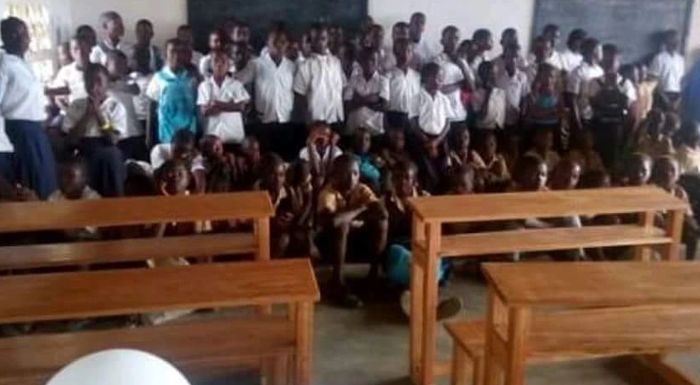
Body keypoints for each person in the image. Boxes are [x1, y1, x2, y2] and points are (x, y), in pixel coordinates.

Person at [383, 160, 462, 320]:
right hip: (400, 249)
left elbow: (435, 228)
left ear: (415, 181)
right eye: (397, 177)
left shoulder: (426, 199)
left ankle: (414, 302)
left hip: (423, 248)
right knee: (404, 257)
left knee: (432, 258)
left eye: (406, 177)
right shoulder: (384, 201)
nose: (402, 182)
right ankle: (432, 307)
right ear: (391, 180)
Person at [316, 154, 388, 308]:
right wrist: (361, 208)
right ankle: (337, 281)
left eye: (355, 173)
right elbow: (333, 221)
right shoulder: (328, 192)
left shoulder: (362, 189)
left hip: (355, 239)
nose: (351, 178)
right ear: (335, 175)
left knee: (382, 223)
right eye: (345, 173)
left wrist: (349, 216)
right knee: (342, 226)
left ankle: (373, 276)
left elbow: (382, 213)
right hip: (329, 243)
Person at [0, 17, 57, 199]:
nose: (27, 38)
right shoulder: (4, 63)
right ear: (10, 36)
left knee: (46, 182)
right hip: (20, 131)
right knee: (32, 182)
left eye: (26, 33)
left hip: (36, 130)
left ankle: (51, 224)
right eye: (22, 33)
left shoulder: (23, 63)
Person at [62, 63, 127, 197]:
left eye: (98, 81)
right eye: (89, 81)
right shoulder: (76, 106)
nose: (93, 86)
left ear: (107, 83)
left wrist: (98, 114)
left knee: (111, 157)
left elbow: (113, 139)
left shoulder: (115, 106)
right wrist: (87, 115)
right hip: (83, 150)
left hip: (107, 150)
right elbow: (70, 140)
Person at [253, 27, 297, 159]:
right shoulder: (256, 64)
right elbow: (238, 81)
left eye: (282, 42)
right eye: (275, 42)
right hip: (264, 121)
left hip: (286, 120)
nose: (279, 45)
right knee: (267, 158)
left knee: (286, 158)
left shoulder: (292, 66)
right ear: (268, 43)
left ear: (287, 44)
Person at [408, 62, 451, 192]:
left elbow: (448, 123)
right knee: (427, 171)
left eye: (441, 78)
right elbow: (413, 123)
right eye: (437, 77)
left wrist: (436, 142)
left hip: (440, 139)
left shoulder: (444, 99)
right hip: (422, 139)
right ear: (426, 77)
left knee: (443, 169)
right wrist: (427, 142)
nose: (440, 81)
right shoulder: (417, 98)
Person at [146, 38, 198, 144]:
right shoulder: (158, 78)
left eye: (180, 51)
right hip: (167, 134)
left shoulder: (191, 78)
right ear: (165, 54)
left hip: (189, 133)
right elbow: (151, 108)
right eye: (173, 51)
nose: (177, 55)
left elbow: (196, 107)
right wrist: (149, 135)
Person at [293, 24, 345, 128]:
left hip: (336, 117)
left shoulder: (336, 62)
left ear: (328, 40)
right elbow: (300, 96)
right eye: (316, 39)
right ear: (311, 41)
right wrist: (308, 120)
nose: (320, 43)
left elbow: (342, 88)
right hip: (316, 120)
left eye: (323, 39)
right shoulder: (305, 66)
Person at [650, 155, 700, 260]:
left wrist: (690, 223)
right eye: (662, 170)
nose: (667, 174)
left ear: (678, 175)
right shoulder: (650, 190)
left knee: (691, 231)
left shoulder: (679, 191)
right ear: (654, 173)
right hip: (656, 225)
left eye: (672, 170)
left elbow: (687, 213)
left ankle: (689, 262)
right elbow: (653, 215)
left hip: (675, 223)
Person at [197, 50, 249, 146]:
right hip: (212, 137)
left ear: (228, 66)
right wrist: (230, 105)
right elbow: (205, 111)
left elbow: (241, 107)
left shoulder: (236, 84)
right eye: (216, 61)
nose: (219, 64)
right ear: (211, 65)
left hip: (234, 136)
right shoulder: (204, 86)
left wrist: (216, 104)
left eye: (223, 61)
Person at [106, 51, 147, 162]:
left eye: (124, 64)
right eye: (118, 63)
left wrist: (123, 78)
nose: (122, 67)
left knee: (143, 166)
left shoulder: (128, 81)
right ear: (107, 64)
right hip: (118, 136)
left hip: (135, 131)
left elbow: (136, 89)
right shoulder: (103, 86)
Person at [49, 157, 101, 240]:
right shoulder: (56, 195)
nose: (63, 180)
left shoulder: (92, 199)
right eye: (60, 176)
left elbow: (78, 233)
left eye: (70, 176)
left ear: (85, 179)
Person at [344, 47, 389, 136]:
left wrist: (358, 99)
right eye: (365, 59)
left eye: (373, 60)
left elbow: (384, 106)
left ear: (378, 62)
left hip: (375, 131)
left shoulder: (383, 81)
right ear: (360, 61)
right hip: (354, 129)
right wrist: (371, 99)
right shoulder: (353, 79)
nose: (369, 62)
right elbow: (346, 106)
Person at [150, 129, 206, 193]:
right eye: (176, 151)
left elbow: (200, 183)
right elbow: (160, 178)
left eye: (184, 152)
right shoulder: (159, 150)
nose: (179, 155)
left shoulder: (194, 155)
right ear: (171, 145)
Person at [566, 38, 604, 133]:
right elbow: (572, 99)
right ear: (593, 51)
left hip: (597, 116)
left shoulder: (600, 70)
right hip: (583, 117)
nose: (602, 53)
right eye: (600, 50)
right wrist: (577, 121)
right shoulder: (578, 72)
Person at [434, 26, 467, 129]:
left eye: (456, 38)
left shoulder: (462, 61)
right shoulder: (437, 61)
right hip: (443, 115)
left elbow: (471, 87)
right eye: (449, 38)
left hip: (459, 114)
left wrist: (461, 64)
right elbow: (438, 89)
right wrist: (459, 84)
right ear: (442, 41)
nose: (453, 42)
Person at [46, 34, 91, 108]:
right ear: (71, 52)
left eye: (83, 47)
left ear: (90, 48)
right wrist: (71, 114)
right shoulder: (65, 71)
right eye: (75, 49)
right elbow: (58, 99)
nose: (80, 52)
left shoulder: (98, 70)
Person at [386, 38, 421, 130]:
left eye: (408, 51)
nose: (405, 54)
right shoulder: (388, 75)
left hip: (413, 117)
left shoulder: (417, 76)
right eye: (401, 51)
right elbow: (385, 103)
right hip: (394, 117)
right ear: (395, 52)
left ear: (412, 53)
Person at [496, 43, 529, 135]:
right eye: (510, 56)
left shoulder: (522, 76)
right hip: (499, 117)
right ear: (504, 58)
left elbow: (525, 97)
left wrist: (522, 114)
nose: (513, 60)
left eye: (516, 57)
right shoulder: (497, 75)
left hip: (515, 117)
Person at [650, 29, 684, 112]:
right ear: (666, 42)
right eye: (673, 40)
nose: (676, 43)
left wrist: (678, 100)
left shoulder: (680, 60)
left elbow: (682, 81)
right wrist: (666, 100)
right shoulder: (659, 58)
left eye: (677, 40)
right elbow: (654, 81)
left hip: (677, 97)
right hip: (662, 95)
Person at [299, 123, 342, 188]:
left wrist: (332, 146)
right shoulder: (304, 151)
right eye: (318, 134)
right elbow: (316, 172)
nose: (323, 138)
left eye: (326, 135)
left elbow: (330, 172)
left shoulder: (336, 151)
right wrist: (311, 146)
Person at [129, 45, 155, 147]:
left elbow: (152, 105)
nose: (130, 62)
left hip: (148, 121)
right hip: (133, 121)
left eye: (133, 58)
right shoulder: (130, 78)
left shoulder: (154, 78)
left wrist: (149, 133)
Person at [472, 61, 506, 133]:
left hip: (499, 131)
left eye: (495, 73)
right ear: (482, 75)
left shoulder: (500, 92)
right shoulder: (476, 94)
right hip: (483, 131)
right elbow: (481, 116)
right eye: (490, 74)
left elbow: (501, 115)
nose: (494, 76)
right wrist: (488, 94)